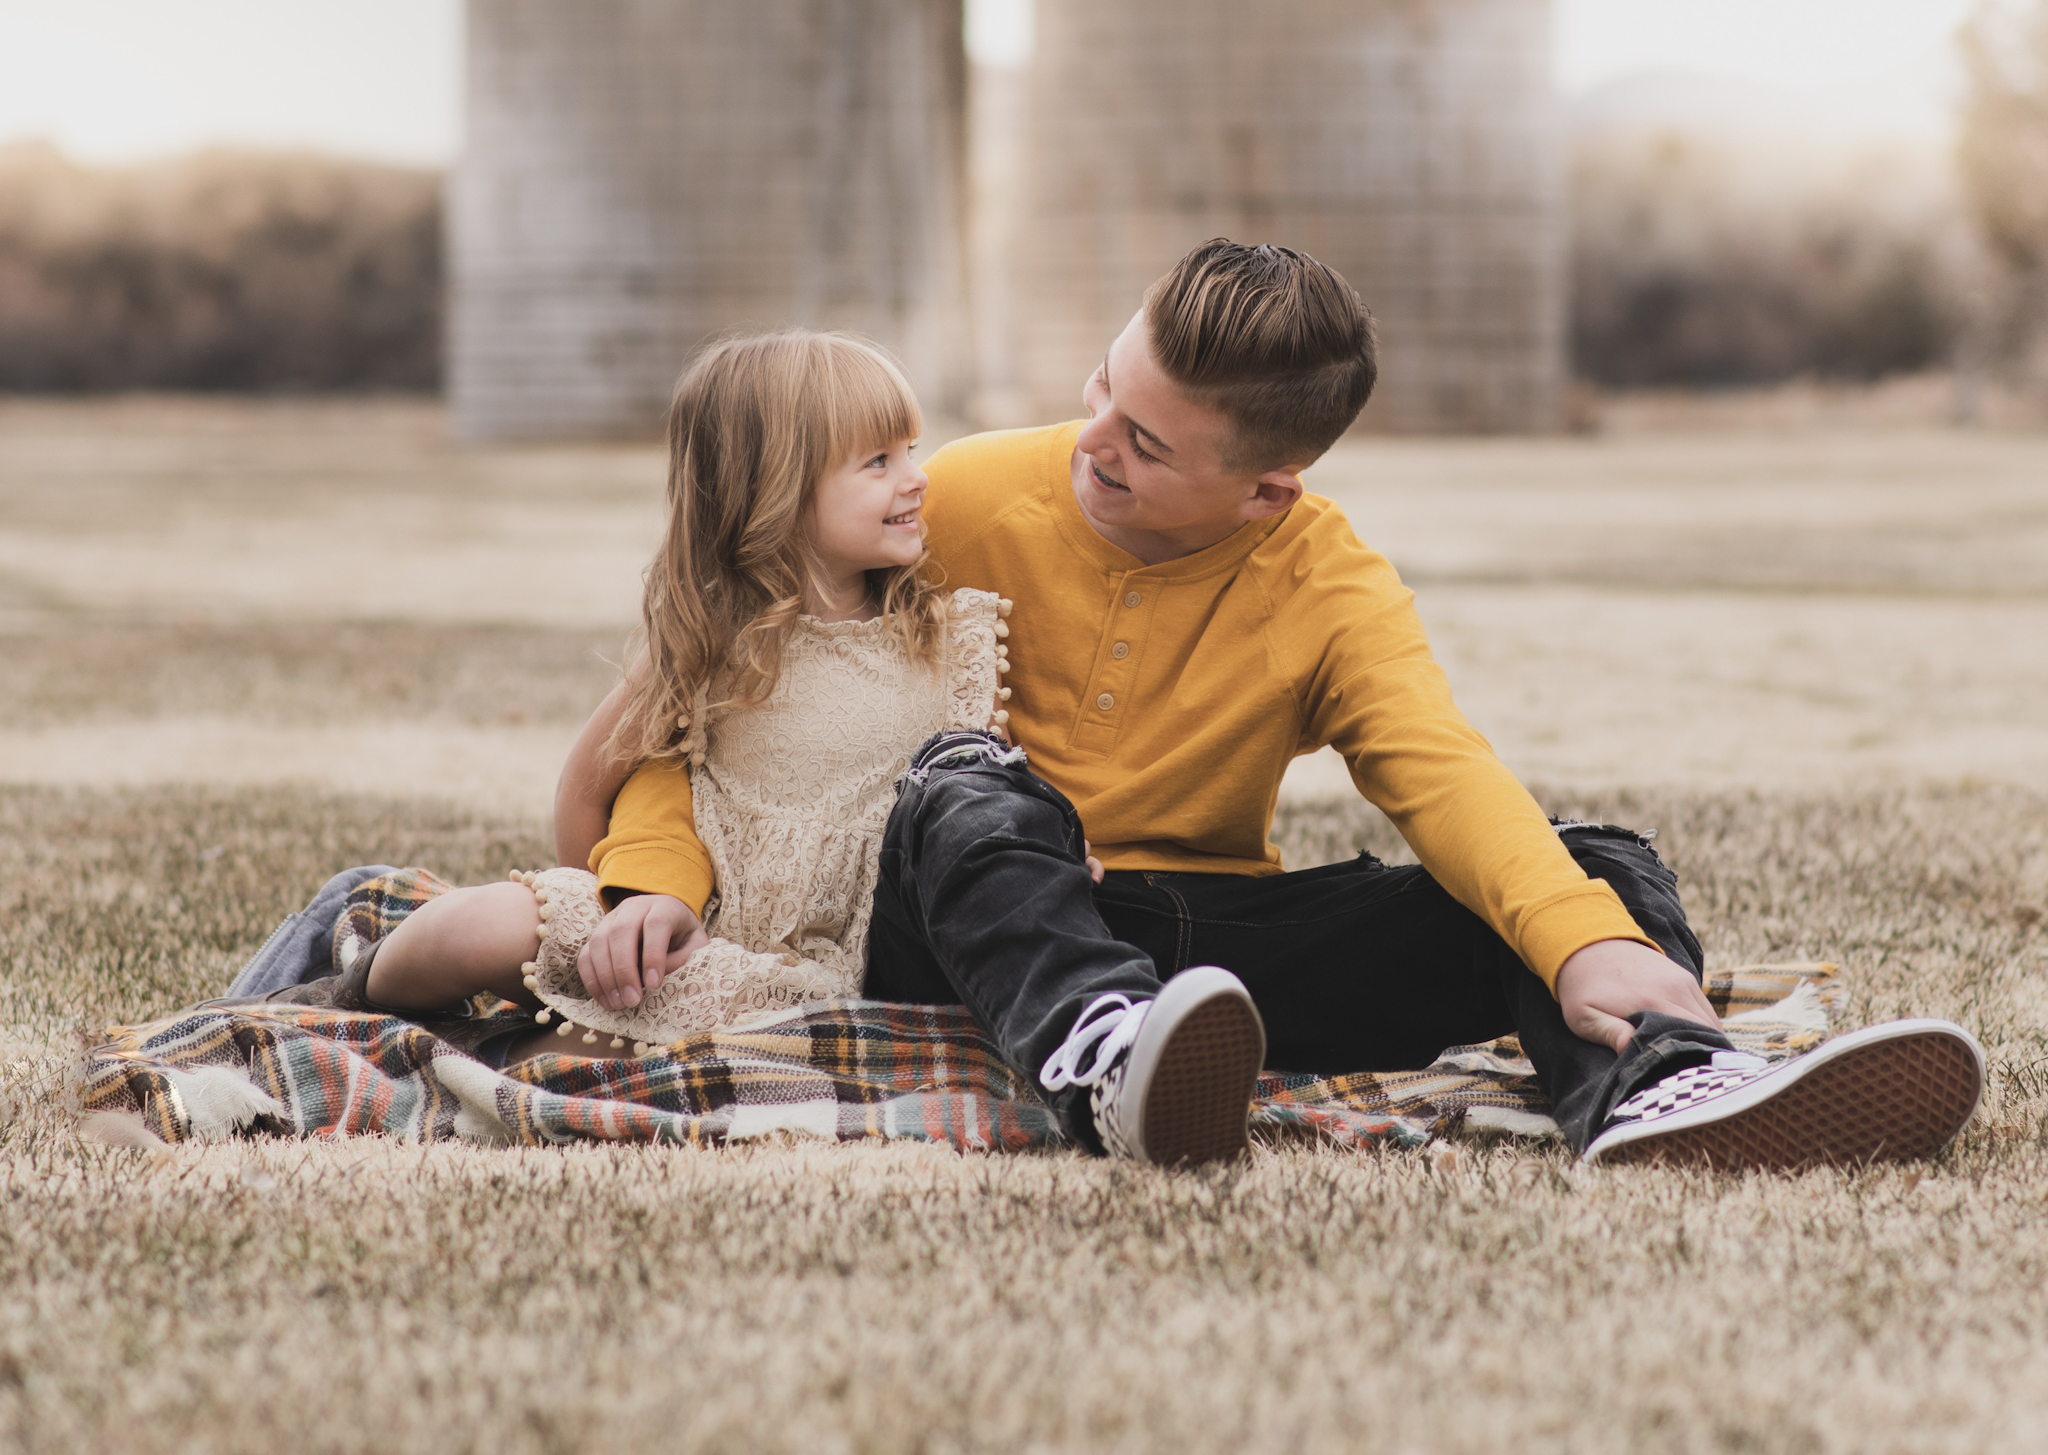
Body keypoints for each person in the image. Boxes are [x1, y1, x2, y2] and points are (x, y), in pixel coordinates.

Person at [554, 241, 1986, 1170]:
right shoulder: (956, 497)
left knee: (1595, 868)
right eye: (1103, 393)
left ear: (1264, 487)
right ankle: (1100, 1059)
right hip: (973, 922)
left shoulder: (1328, 579)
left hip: (1212, 951)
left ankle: (1665, 1088)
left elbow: (1446, 780)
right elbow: (697, 715)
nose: (1090, 446)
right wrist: (639, 873)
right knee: (968, 776)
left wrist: (1582, 944)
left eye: (1142, 446)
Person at [266, 329, 1245, 1078]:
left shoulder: (950, 634)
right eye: (878, 463)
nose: (918, 480)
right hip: (705, 933)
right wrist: (640, 899)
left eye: (911, 451)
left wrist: (1049, 843)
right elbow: (604, 790)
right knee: (474, 927)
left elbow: (992, 784)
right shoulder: (716, 646)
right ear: (771, 493)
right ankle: (346, 996)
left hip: (837, 964)